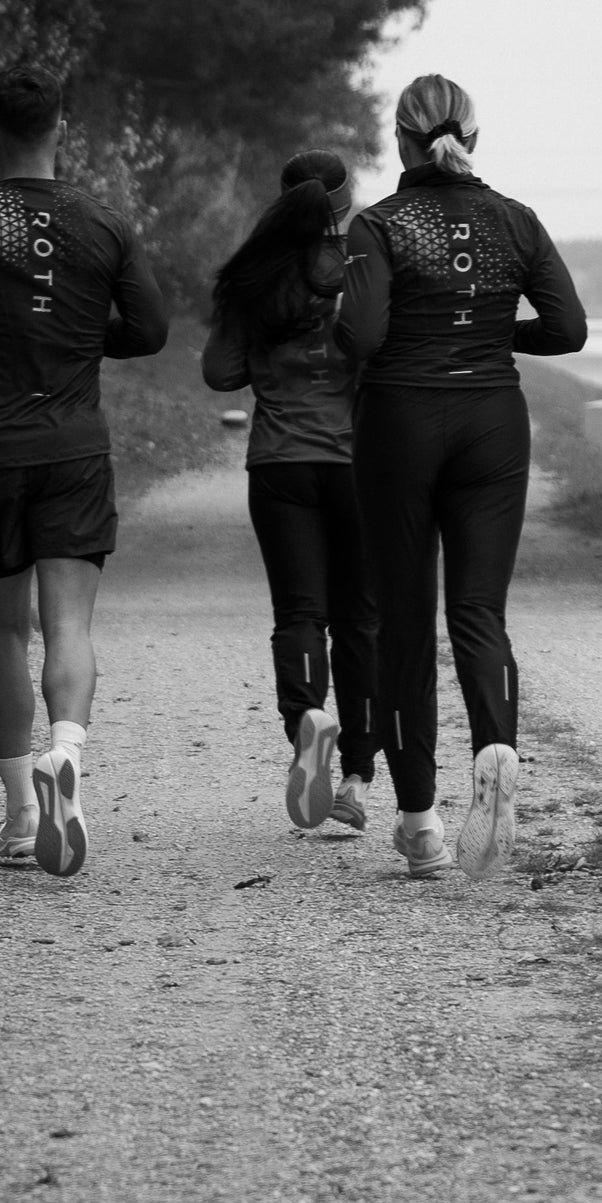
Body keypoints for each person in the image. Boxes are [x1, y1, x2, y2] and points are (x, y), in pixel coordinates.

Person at [0, 65, 169, 877]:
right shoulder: (103, 222)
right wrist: (89, 337)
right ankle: (67, 752)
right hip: (73, 450)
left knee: (4, 631)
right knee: (69, 629)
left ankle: (23, 815)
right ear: (61, 128)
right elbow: (152, 329)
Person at [339, 74, 587, 882]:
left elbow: (364, 334)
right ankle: (498, 747)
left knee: (406, 622)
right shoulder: (516, 220)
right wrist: (487, 330)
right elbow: (568, 328)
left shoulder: (377, 225)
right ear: (473, 138)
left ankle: (420, 825)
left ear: (401, 141)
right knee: (479, 611)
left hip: (401, 423)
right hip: (492, 422)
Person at [203, 151, 391, 840]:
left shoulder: (260, 270)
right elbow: (379, 344)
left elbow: (220, 371)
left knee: (299, 614)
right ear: (345, 202)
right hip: (355, 464)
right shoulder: (365, 261)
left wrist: (263, 351)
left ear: (285, 202)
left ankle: (306, 720)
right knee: (361, 621)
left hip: (279, 463)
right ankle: (356, 776)